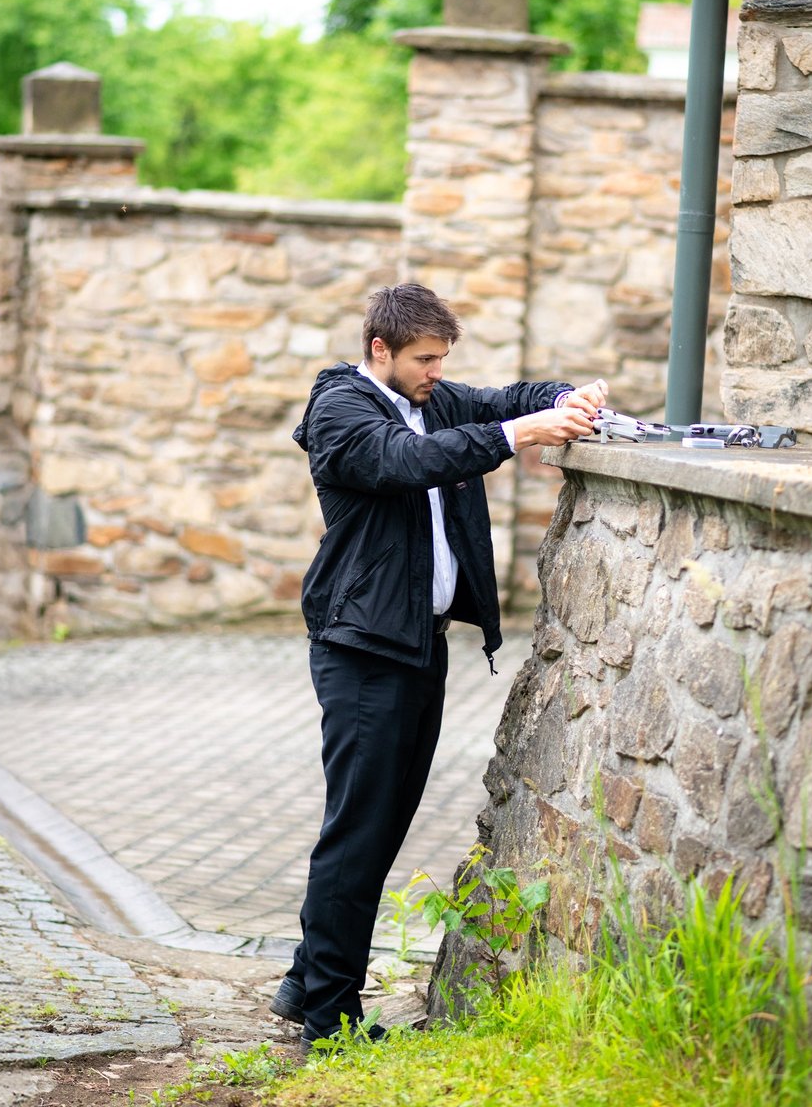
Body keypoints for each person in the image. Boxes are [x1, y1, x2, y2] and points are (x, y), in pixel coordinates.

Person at [275, 282, 608, 1049]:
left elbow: (508, 395)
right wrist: (519, 433)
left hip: (417, 645)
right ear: (380, 350)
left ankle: (306, 980)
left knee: (382, 826)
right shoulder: (343, 410)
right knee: (357, 831)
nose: (436, 372)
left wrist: (567, 397)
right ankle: (329, 1017)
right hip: (361, 650)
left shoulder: (432, 399)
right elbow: (404, 463)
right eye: (424, 359)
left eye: (442, 359)